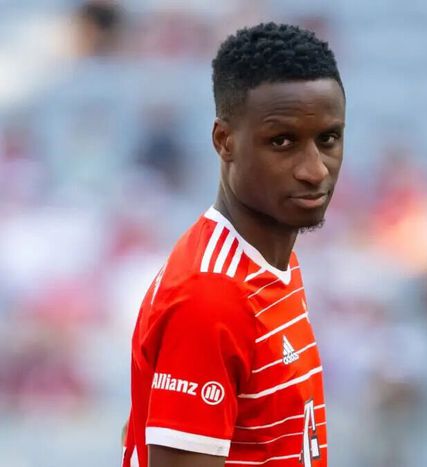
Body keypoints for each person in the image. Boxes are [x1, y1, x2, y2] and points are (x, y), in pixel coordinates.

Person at [122, 22, 345, 467]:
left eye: (328, 139)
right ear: (225, 141)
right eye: (282, 142)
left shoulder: (271, 263)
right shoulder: (211, 296)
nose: (315, 169)